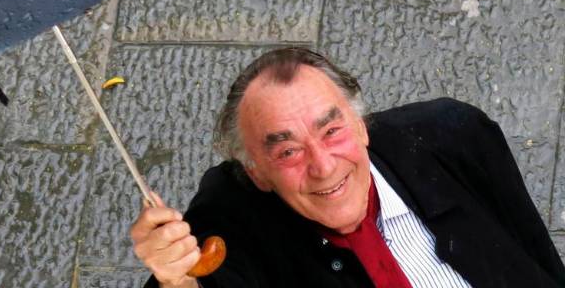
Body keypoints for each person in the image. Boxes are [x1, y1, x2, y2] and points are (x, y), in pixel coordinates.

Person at [130, 47, 565, 287]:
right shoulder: (229, 218)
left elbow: (530, 243)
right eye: (288, 152)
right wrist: (175, 279)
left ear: (361, 125)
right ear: (255, 171)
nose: (323, 167)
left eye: (332, 131)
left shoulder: (453, 134)